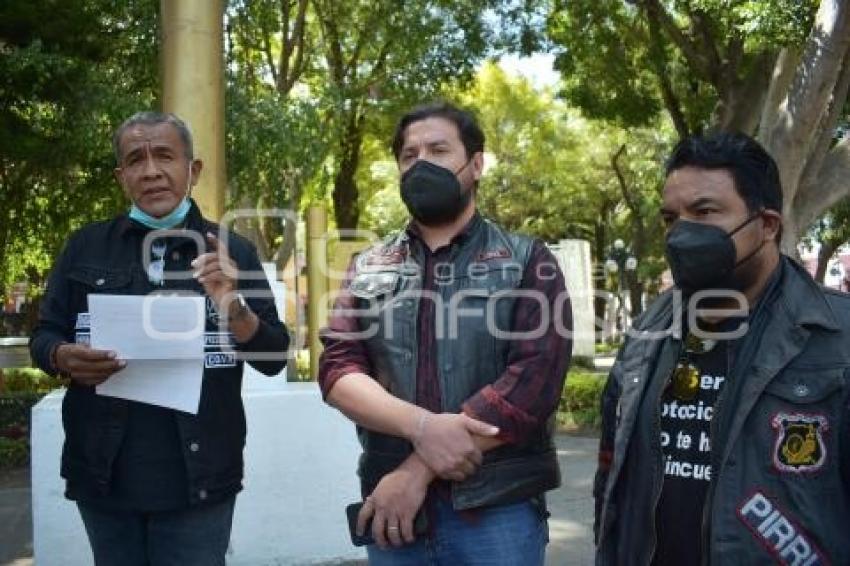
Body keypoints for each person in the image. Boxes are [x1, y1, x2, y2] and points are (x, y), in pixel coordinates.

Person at [29, 111, 289, 565]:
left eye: (165, 155)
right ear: (121, 175)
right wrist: (61, 355)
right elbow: (45, 334)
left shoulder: (233, 251)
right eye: (136, 160)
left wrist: (231, 302)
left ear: (193, 168)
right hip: (104, 476)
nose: (151, 171)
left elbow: (273, 357)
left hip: (201, 478)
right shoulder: (85, 246)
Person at [318, 101, 572, 564]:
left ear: (475, 164)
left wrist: (417, 471)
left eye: (438, 150)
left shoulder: (526, 259)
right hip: (393, 515)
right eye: (410, 155)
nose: (421, 163)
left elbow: (535, 381)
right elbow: (338, 370)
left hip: (497, 511)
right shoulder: (368, 265)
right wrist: (421, 427)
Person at [593, 132, 850, 565]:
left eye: (705, 212)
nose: (680, 233)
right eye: (671, 218)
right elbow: (612, 479)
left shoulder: (836, 336)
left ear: (766, 225)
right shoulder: (647, 331)